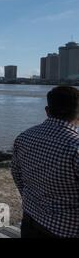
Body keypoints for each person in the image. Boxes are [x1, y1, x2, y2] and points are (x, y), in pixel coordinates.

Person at [11, 86, 79, 238]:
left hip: (31, 219)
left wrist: (31, 199)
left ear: (47, 110)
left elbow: (16, 173)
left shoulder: (24, 137)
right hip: (68, 230)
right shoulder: (75, 147)